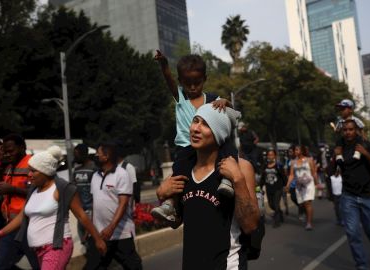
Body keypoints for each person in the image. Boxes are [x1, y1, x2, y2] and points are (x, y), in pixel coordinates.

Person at [156, 104, 259, 269]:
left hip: (228, 265)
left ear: (219, 133)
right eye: (195, 121)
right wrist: (161, 195)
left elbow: (250, 225)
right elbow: (175, 223)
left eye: (205, 124)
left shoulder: (241, 167)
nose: (196, 128)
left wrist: (238, 180)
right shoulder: (183, 170)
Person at [0, 146, 107, 270]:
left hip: (57, 247)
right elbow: (22, 216)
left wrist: (98, 239)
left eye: (33, 171)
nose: (29, 175)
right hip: (37, 249)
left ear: (45, 171)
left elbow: (81, 215)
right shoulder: (33, 190)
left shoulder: (63, 188)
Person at [152, 50, 236, 225]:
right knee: (179, 174)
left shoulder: (212, 99)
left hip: (210, 146)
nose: (192, 87)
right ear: (181, 82)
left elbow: (231, 110)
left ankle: (227, 180)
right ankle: (171, 205)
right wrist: (164, 64)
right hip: (186, 146)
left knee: (228, 147)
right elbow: (168, 79)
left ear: (204, 79)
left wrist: (225, 102)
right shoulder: (180, 97)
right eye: (187, 83)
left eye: (196, 83)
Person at [334, 119, 370, 269]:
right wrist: (334, 156)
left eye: (351, 129)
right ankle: (361, 265)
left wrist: (366, 154)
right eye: (345, 130)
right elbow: (332, 171)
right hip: (349, 195)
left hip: (368, 195)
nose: (348, 132)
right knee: (352, 233)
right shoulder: (339, 147)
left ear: (356, 130)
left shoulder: (365, 144)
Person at [84, 142, 142, 270]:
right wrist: (90, 227)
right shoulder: (95, 176)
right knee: (92, 266)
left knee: (134, 267)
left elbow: (123, 203)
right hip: (100, 235)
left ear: (106, 156)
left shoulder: (121, 174)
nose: (95, 156)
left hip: (121, 234)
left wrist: (111, 227)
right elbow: (95, 203)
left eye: (98, 154)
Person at [0, 134, 40, 269]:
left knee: (39, 266)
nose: (8, 154)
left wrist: (13, 190)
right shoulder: (9, 167)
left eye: (11, 151)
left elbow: (42, 193)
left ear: (22, 148)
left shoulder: (33, 164)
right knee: (0, 266)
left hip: (29, 226)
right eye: (5, 152)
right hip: (11, 227)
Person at [285, 145, 318, 230]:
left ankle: (309, 223)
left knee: (308, 203)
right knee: (302, 204)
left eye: (297, 150)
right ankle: (308, 217)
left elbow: (313, 172)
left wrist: (317, 183)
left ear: (302, 151)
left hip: (308, 185)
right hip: (299, 186)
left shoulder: (309, 160)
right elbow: (291, 174)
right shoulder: (293, 162)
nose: (295, 151)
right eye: (295, 150)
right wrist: (288, 184)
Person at [73, 143, 97, 245]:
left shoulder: (94, 169)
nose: (75, 157)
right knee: (83, 239)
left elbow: (97, 193)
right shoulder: (76, 170)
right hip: (80, 211)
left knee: (91, 238)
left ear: (84, 154)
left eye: (76, 154)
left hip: (91, 210)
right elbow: (74, 190)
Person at [334, 99, 365, 163]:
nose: (341, 111)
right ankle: (339, 157)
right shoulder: (340, 121)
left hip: (355, 142)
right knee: (339, 141)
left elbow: (362, 130)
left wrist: (364, 139)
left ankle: (357, 153)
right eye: (340, 109)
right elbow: (338, 131)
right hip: (345, 143)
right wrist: (337, 131)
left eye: (343, 109)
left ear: (350, 110)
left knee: (358, 138)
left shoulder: (356, 120)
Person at [261, 149, 286, 227]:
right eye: (269, 155)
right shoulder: (265, 166)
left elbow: (283, 177)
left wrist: (285, 186)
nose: (270, 156)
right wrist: (260, 187)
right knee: (271, 205)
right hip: (269, 188)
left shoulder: (278, 165)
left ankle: (276, 221)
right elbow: (263, 177)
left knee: (275, 204)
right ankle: (280, 213)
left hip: (278, 188)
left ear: (275, 156)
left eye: (271, 155)